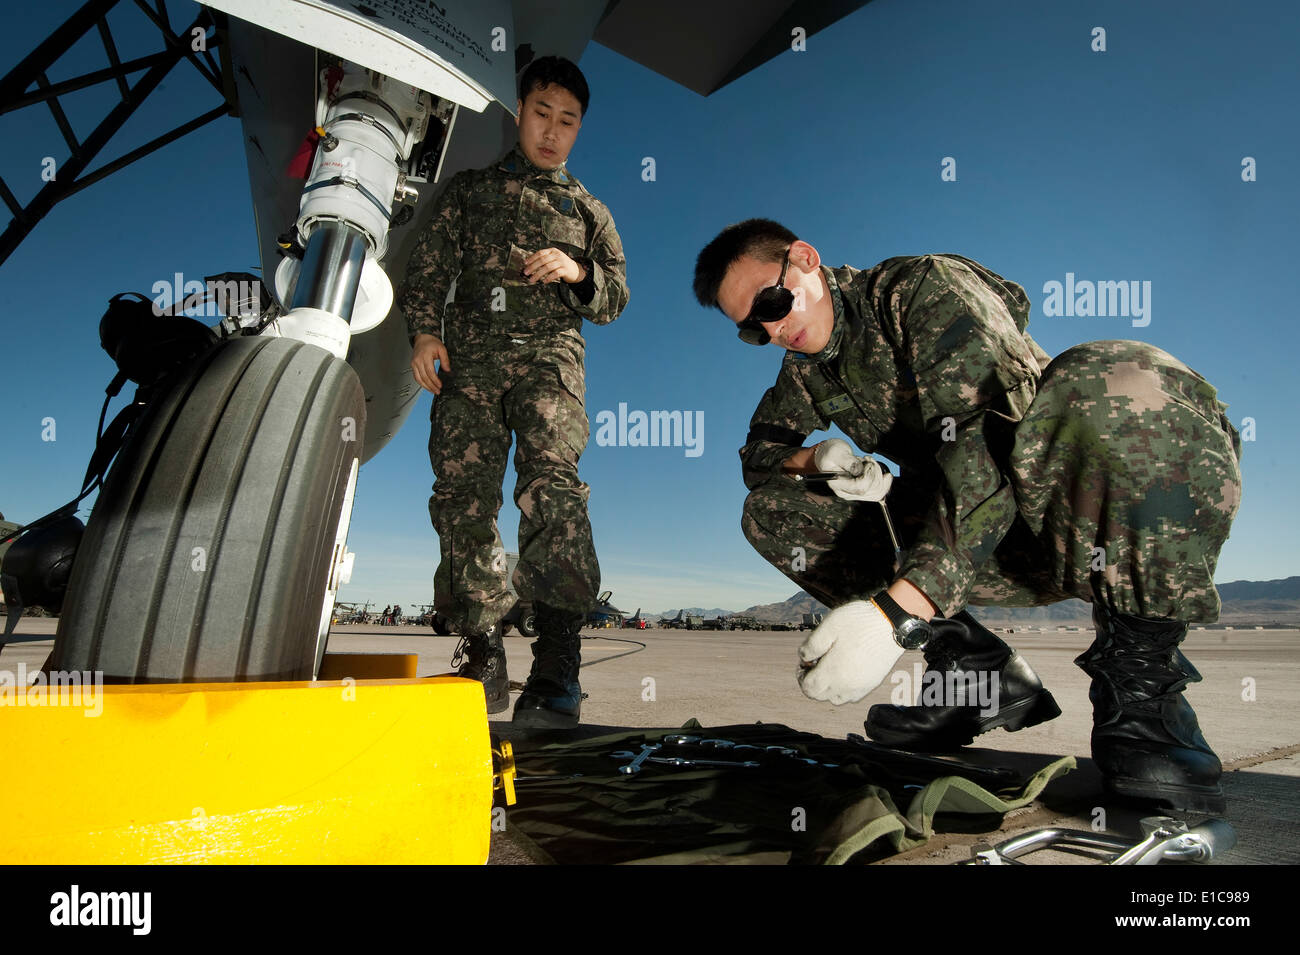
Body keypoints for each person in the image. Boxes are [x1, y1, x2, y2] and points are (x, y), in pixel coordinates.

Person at [692, 219, 1241, 813]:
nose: (772, 330)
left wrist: (898, 614)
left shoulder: (921, 290)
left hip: (1078, 516)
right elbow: (759, 458)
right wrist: (821, 459)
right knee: (774, 510)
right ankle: (973, 674)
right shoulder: (805, 373)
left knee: (1111, 374)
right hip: (975, 546)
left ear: (805, 259)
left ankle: (1144, 693)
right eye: (752, 329)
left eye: (772, 303)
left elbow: (982, 445)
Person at [399, 56, 629, 728]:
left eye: (568, 121)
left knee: (552, 491)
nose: (552, 131)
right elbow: (428, 267)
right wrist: (422, 335)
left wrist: (577, 267)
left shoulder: (590, 210)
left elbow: (614, 297)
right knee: (463, 493)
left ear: (578, 128)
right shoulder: (470, 191)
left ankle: (558, 662)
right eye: (541, 114)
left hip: (550, 367)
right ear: (519, 112)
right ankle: (485, 649)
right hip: (468, 363)